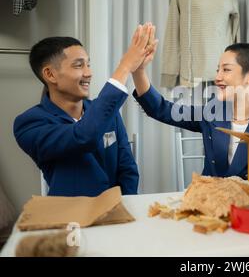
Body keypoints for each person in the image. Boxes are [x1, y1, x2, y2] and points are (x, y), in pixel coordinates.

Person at [14, 23, 157, 196]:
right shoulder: (30, 123)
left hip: (118, 211)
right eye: (78, 65)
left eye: (88, 64)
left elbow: (127, 169)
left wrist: (125, 206)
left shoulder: (108, 113)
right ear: (50, 74)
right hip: (70, 218)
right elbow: (83, 136)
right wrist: (124, 67)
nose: (88, 73)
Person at [132, 42, 249, 179]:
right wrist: (138, 71)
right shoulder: (212, 112)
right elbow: (162, 110)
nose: (218, 77)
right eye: (218, 70)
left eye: (226, 70)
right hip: (209, 205)